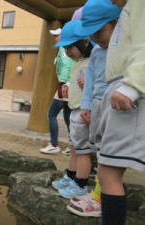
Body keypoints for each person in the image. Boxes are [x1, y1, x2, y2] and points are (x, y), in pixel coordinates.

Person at [64, 0, 122, 217]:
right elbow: (89, 82)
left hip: (115, 103)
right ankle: (96, 193)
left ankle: (98, 195)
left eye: (100, 31)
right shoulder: (98, 51)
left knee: (107, 156)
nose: (96, 37)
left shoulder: (122, 48)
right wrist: (87, 104)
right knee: (99, 150)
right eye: (92, 33)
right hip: (96, 104)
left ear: (116, 23)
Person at [93, 1, 143, 224]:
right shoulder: (127, 7)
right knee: (108, 171)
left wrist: (133, 85)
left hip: (130, 89)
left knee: (108, 173)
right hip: (122, 86)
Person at [50, 20, 94, 199]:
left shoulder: (93, 61)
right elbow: (75, 77)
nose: (67, 52)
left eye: (70, 48)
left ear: (84, 42)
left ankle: (81, 184)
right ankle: (71, 175)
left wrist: (88, 84)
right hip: (75, 108)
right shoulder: (80, 61)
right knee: (74, 147)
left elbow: (98, 82)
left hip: (84, 111)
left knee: (83, 150)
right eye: (65, 49)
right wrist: (68, 85)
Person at [39, 27, 74, 155]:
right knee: (68, 118)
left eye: (57, 35)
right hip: (71, 86)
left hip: (65, 86)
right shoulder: (68, 47)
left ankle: (54, 144)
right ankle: (72, 146)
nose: (55, 38)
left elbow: (66, 67)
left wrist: (61, 85)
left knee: (51, 114)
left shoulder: (63, 48)